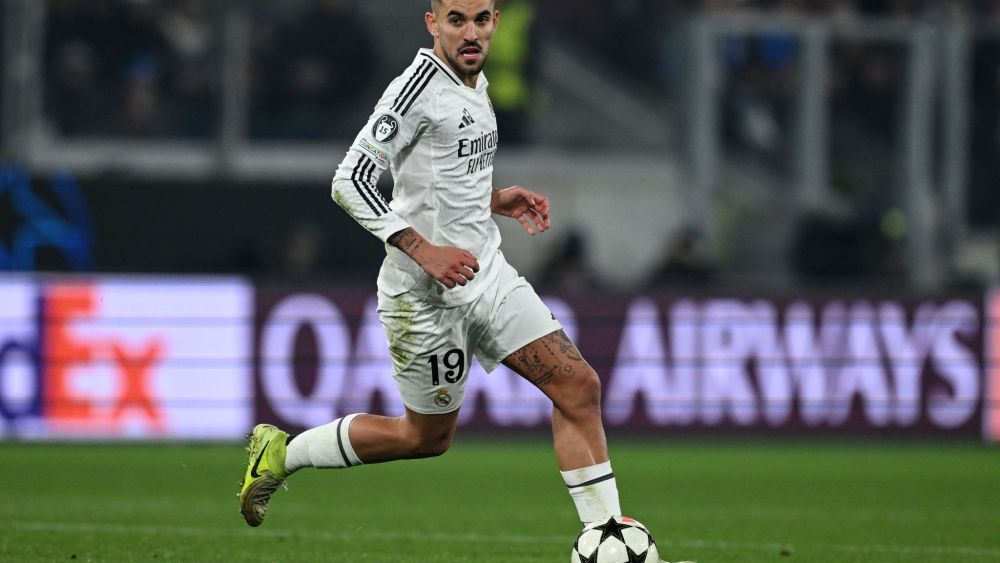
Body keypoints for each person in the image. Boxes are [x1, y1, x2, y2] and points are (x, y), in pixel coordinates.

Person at [238, 0, 635, 546]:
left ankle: (607, 538)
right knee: (425, 437)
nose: (470, 32)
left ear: (495, 22)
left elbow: (435, 178)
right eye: (456, 20)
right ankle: (283, 454)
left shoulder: (476, 84)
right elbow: (348, 180)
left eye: (480, 19)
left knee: (577, 386)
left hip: (488, 277)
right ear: (433, 24)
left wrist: (494, 198)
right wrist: (423, 250)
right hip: (422, 298)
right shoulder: (415, 89)